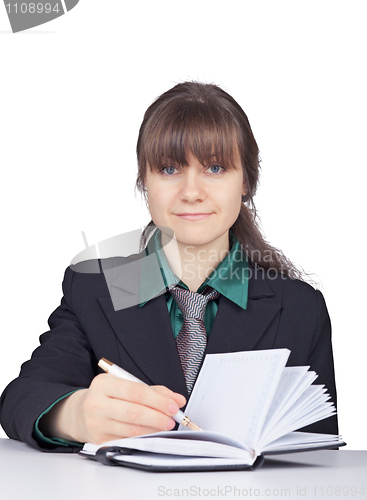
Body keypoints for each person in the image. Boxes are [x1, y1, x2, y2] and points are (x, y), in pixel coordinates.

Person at [0, 81, 338, 452]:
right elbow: (22, 397)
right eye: (169, 169)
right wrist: (76, 414)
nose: (191, 192)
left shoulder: (300, 310)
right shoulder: (98, 288)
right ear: (144, 180)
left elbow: (317, 452)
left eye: (214, 167)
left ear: (246, 181)